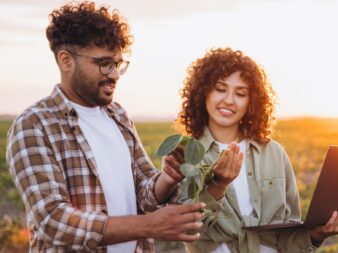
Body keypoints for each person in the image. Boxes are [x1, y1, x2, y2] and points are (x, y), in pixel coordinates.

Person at [6, 1, 204, 252]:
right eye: (104, 63)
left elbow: (144, 193)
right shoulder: (34, 125)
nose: (115, 74)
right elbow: (53, 220)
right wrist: (149, 226)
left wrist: (166, 179)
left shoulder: (118, 116)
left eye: (119, 64)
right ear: (66, 60)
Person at [177, 48, 338, 253]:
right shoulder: (184, 155)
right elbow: (187, 230)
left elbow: (288, 237)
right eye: (220, 89)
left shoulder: (274, 154)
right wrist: (218, 185)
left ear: (251, 102)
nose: (229, 100)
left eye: (240, 93)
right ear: (203, 92)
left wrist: (318, 234)